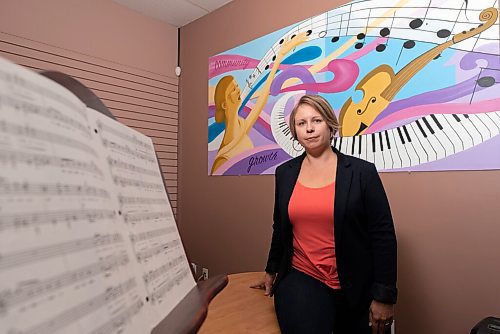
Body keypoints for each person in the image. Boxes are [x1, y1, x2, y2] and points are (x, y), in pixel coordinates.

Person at [250, 95, 397, 334]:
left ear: (330, 124)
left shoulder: (362, 173)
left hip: (354, 283)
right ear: (295, 131)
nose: (309, 128)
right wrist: (271, 269)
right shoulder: (285, 174)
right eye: (301, 123)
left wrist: (385, 296)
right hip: (302, 277)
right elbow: (280, 227)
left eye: (316, 120)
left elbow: (383, 236)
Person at [210, 32, 308, 175]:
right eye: (233, 89)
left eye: (237, 87)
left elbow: (262, 98)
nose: (238, 91)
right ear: (224, 104)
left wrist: (279, 57)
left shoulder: (242, 124)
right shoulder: (228, 147)